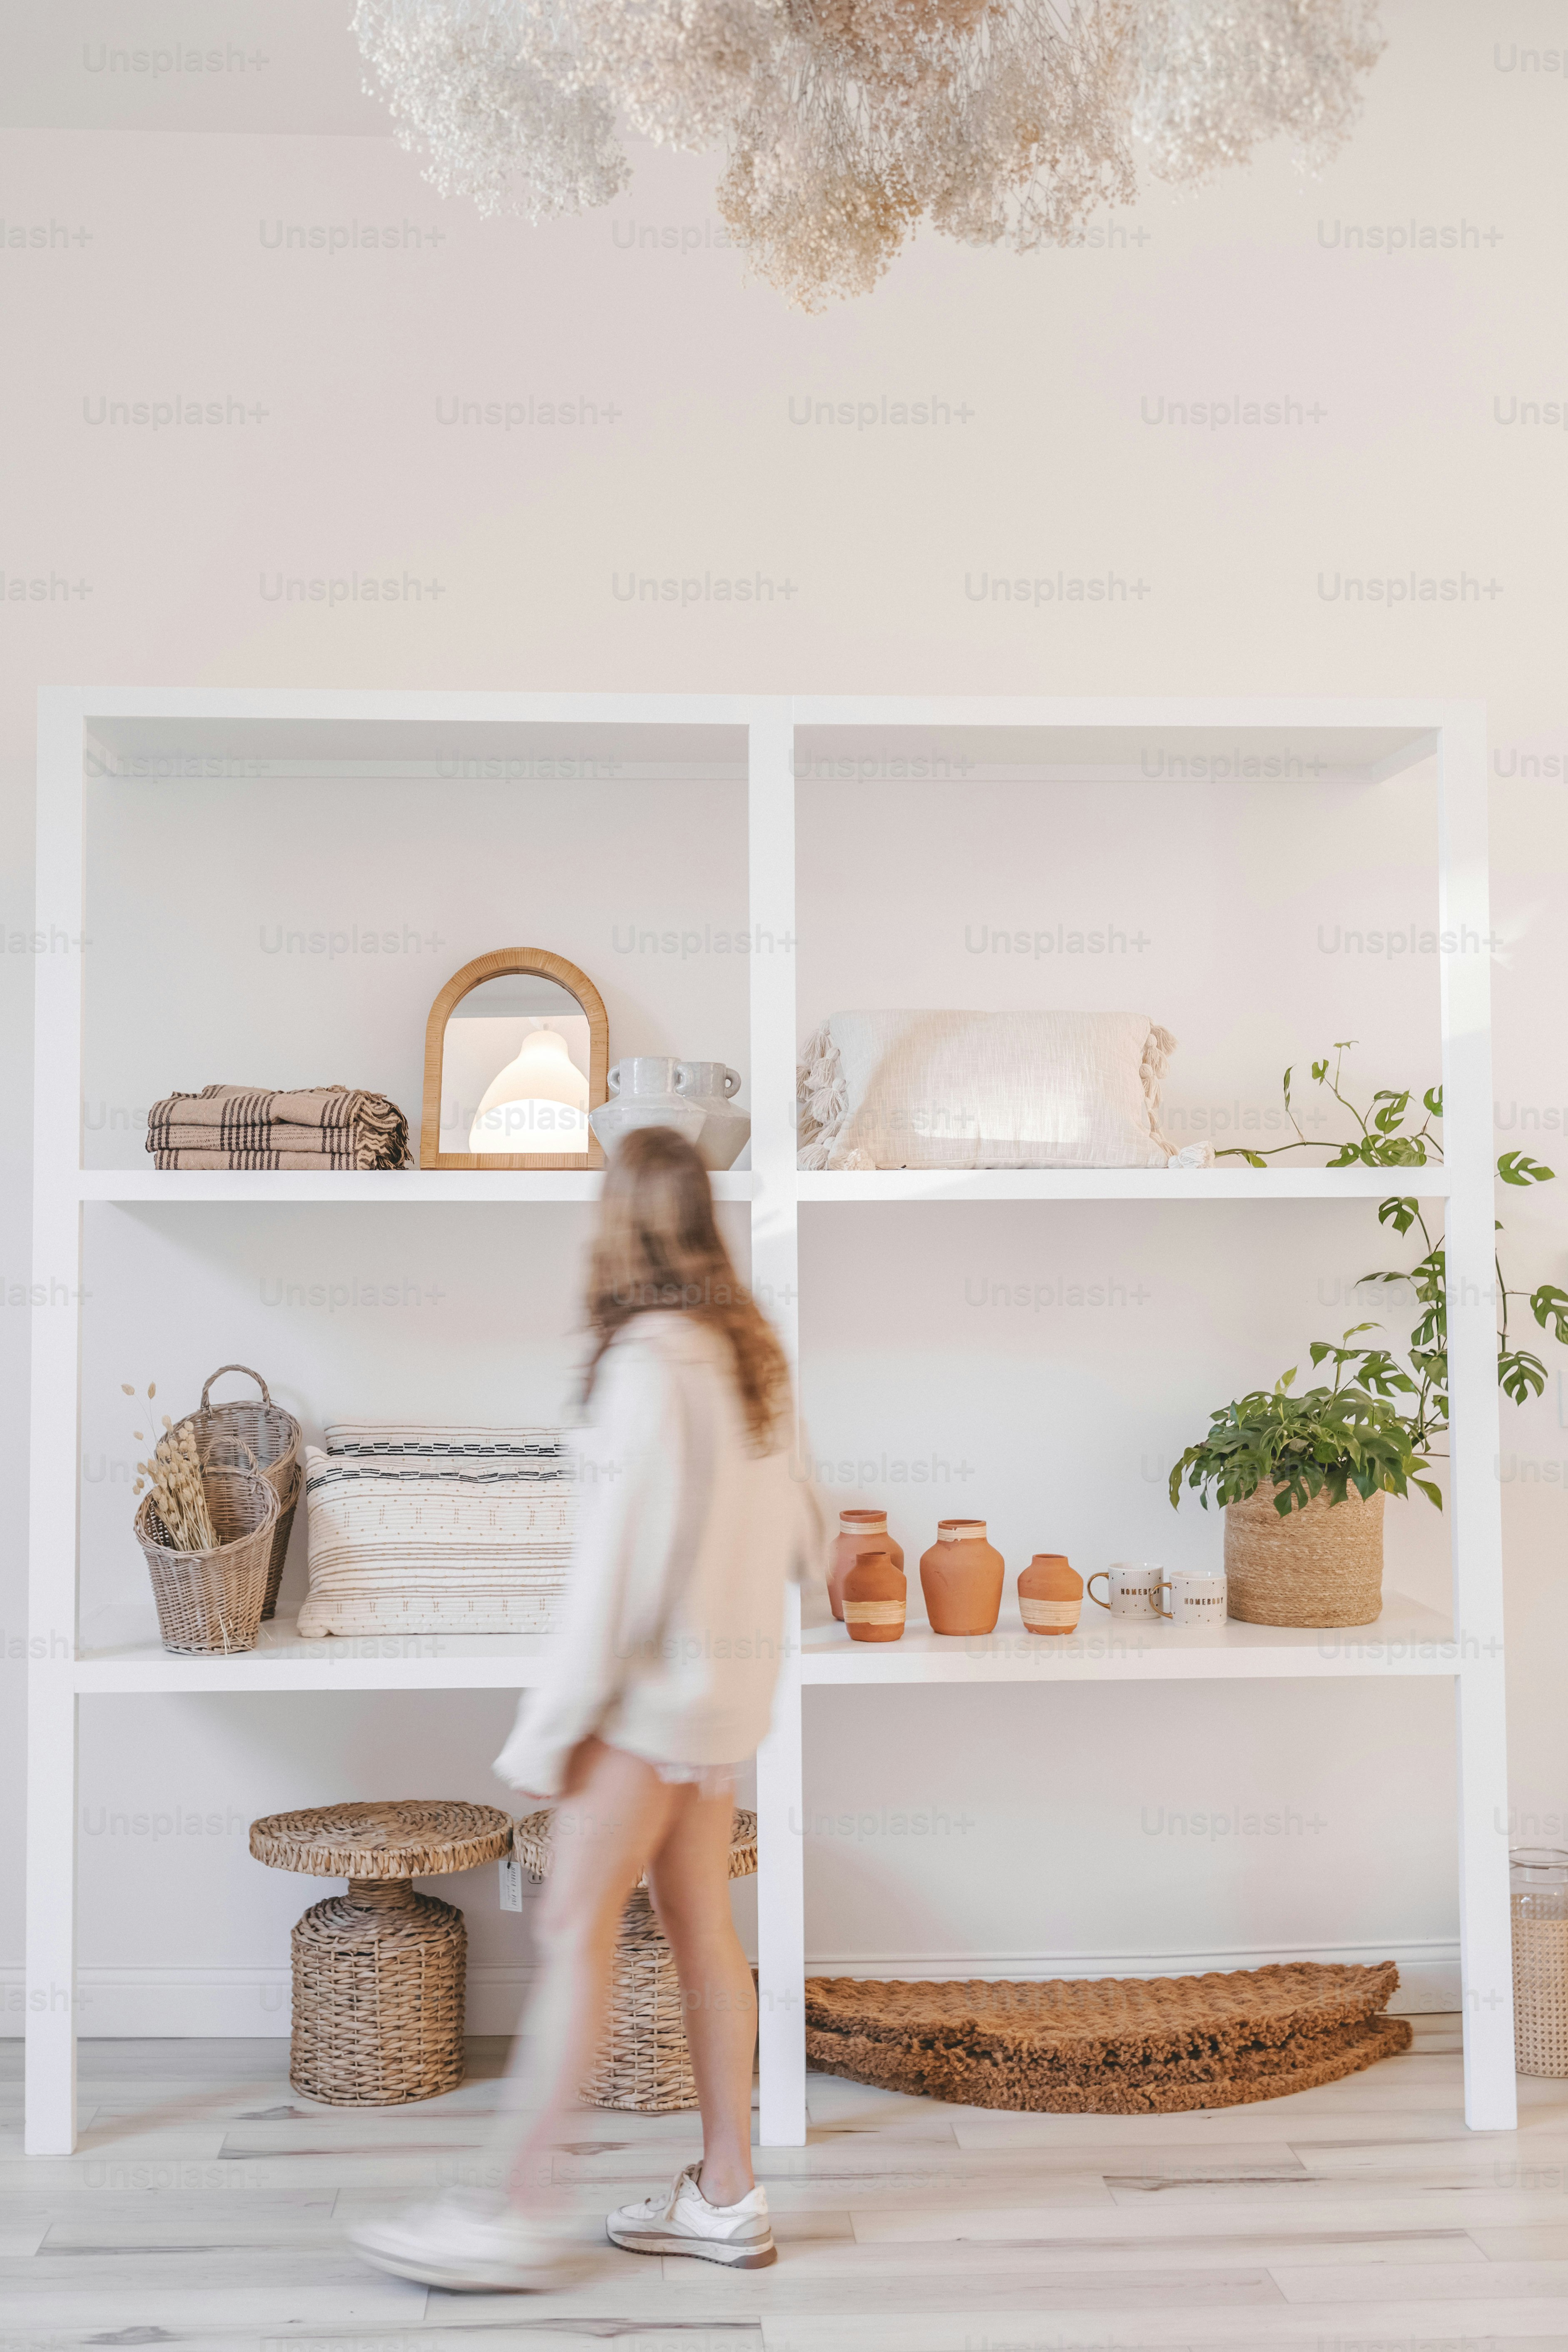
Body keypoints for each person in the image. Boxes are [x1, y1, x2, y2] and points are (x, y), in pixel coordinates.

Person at [352, 1125, 826, 2292]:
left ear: (617, 1226)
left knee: (572, 1931)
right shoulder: (751, 1358)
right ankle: (727, 2191)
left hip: (653, 1703)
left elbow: (617, 1577)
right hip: (724, 1704)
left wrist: (552, 1728)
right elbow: (811, 1535)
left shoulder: (647, 1366)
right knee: (701, 1927)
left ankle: (512, 2211)